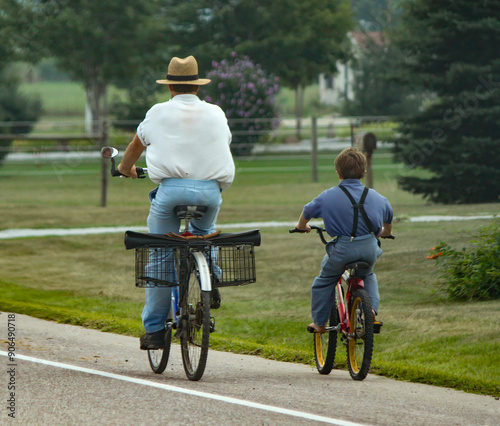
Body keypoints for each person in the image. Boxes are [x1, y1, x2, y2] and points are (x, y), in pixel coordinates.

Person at [118, 55, 235, 349]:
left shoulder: (157, 113)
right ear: (196, 87)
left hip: (171, 192)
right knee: (203, 235)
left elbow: (136, 146)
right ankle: (211, 281)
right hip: (211, 192)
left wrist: (124, 169)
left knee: (159, 253)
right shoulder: (216, 112)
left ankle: (156, 330)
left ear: (170, 86)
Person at [294, 147, 393, 333]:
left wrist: (302, 226)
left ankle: (320, 323)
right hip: (369, 248)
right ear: (364, 173)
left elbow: (307, 211)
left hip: (343, 248)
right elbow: (388, 221)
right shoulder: (378, 197)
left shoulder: (328, 196)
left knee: (324, 280)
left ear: (338, 172)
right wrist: (384, 232)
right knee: (368, 276)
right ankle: (370, 309)